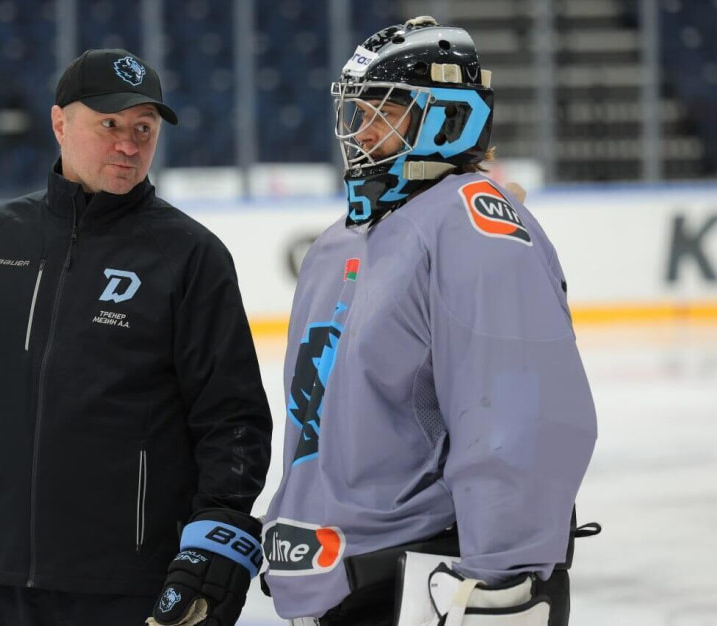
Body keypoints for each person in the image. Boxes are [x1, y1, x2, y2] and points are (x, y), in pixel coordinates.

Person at [0, 48, 272, 626]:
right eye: (109, 124)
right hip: (7, 576)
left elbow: (232, 416)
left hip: (136, 582)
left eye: (144, 128)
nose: (128, 145)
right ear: (59, 123)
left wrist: (219, 527)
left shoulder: (190, 255)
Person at [260, 16, 598, 626]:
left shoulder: (470, 221)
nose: (361, 129)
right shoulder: (339, 242)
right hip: (336, 585)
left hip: (436, 585)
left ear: (447, 119)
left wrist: (503, 582)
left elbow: (516, 411)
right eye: (358, 111)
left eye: (385, 112)